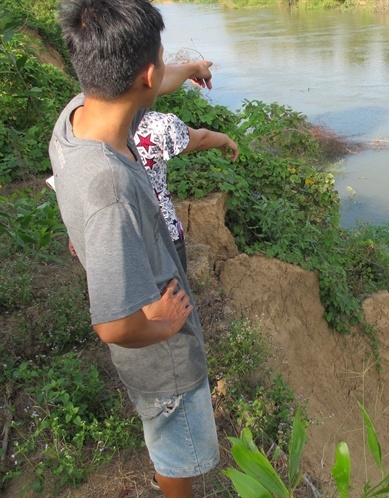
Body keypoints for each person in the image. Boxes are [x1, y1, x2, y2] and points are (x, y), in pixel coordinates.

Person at [49, 1, 220, 496]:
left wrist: (188, 70)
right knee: (176, 446)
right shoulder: (109, 188)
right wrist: (164, 325)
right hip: (161, 359)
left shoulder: (76, 116)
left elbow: (146, 84)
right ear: (146, 74)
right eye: (163, 62)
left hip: (140, 294)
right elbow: (113, 325)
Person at [134, 111, 238, 271]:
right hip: (163, 231)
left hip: (120, 235)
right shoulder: (154, 123)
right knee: (175, 292)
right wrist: (225, 139)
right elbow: (201, 140)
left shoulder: (86, 122)